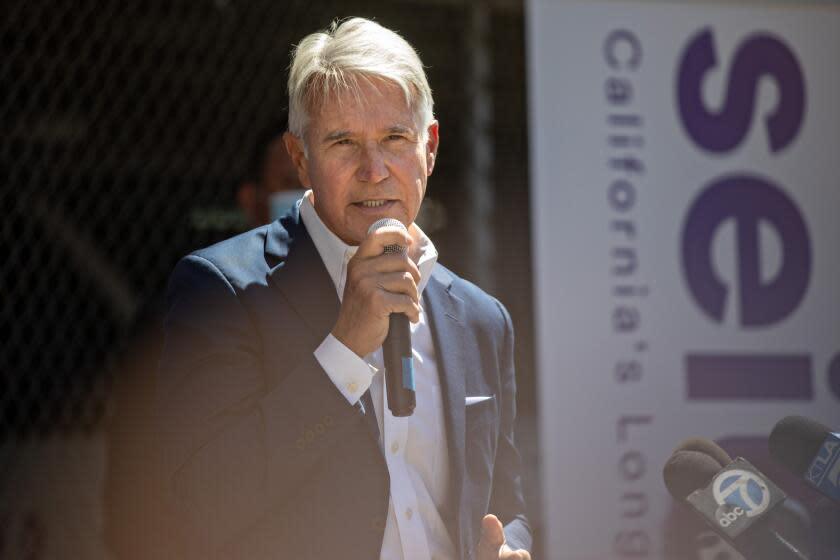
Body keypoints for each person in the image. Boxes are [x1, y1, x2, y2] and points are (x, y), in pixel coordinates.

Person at [157, 17, 532, 560]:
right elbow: (201, 507)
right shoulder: (222, 291)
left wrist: (508, 547)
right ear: (301, 157)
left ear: (428, 147)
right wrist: (343, 350)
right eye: (343, 143)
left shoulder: (480, 317)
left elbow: (507, 503)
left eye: (395, 138)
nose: (374, 170)